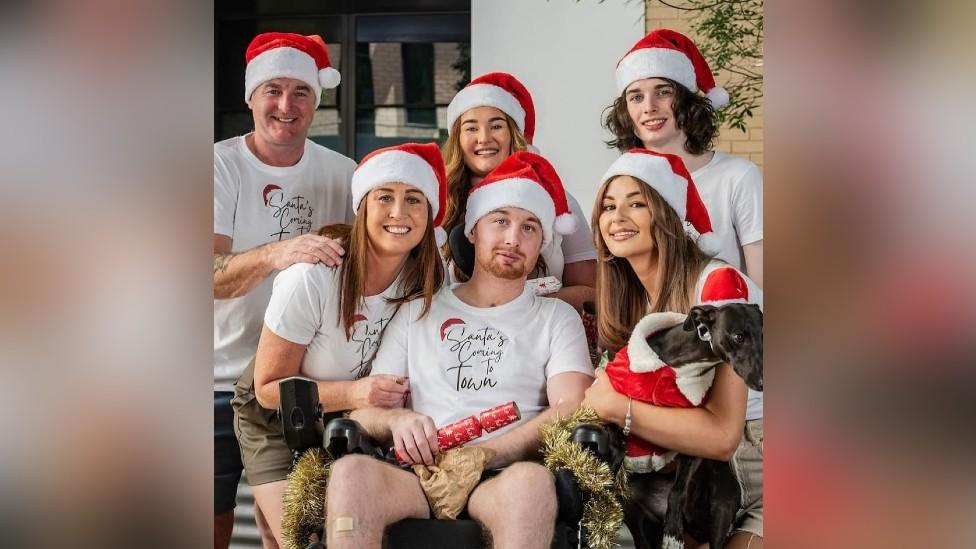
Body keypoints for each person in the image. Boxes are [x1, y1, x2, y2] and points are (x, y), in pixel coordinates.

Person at [324, 152, 595, 549]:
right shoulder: (420, 308)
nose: (512, 239)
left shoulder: (556, 318)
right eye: (500, 221)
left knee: (532, 482)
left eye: (530, 227)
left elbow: (571, 407)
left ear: (544, 242)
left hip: (501, 476)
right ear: (472, 231)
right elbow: (368, 408)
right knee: (351, 474)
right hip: (419, 472)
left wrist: (485, 455)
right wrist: (398, 422)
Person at [232, 143, 448, 545]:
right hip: (278, 413)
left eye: (413, 199)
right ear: (363, 206)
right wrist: (356, 392)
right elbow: (266, 390)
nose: (399, 212)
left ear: (429, 214)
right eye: (385, 197)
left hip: (352, 413)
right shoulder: (312, 277)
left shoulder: (428, 282)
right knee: (300, 539)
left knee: (346, 527)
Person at [581, 148, 763, 549]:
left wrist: (615, 407)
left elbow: (721, 436)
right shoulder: (632, 300)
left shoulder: (719, 289)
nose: (617, 217)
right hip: (686, 476)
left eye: (636, 203)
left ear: (666, 216)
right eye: (608, 207)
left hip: (755, 470)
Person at [213, 31, 353, 549]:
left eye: (301, 92)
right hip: (212, 380)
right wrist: (279, 252)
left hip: (298, 384)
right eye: (273, 89)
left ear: (316, 101)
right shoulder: (217, 166)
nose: (285, 105)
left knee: (292, 535)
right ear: (250, 95)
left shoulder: (345, 174)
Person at [605, 28, 763, 287]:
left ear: (688, 102)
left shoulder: (738, 177)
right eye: (636, 97)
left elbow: (763, 288)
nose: (649, 107)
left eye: (663, 91)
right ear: (626, 113)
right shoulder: (621, 184)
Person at [441, 72, 597, 311]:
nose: (484, 138)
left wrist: (520, 303)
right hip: (457, 338)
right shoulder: (438, 204)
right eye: (471, 128)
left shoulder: (555, 200)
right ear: (457, 139)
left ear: (513, 134)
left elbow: (591, 293)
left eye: (496, 126)